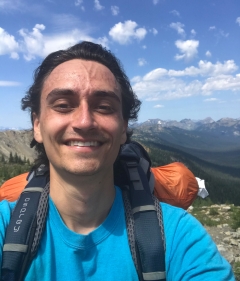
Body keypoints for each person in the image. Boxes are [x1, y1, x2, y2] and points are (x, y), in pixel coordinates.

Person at [0, 41, 235, 280]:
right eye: (63, 105)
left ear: (124, 127)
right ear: (37, 125)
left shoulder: (177, 236)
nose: (84, 122)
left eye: (104, 107)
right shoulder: (5, 227)